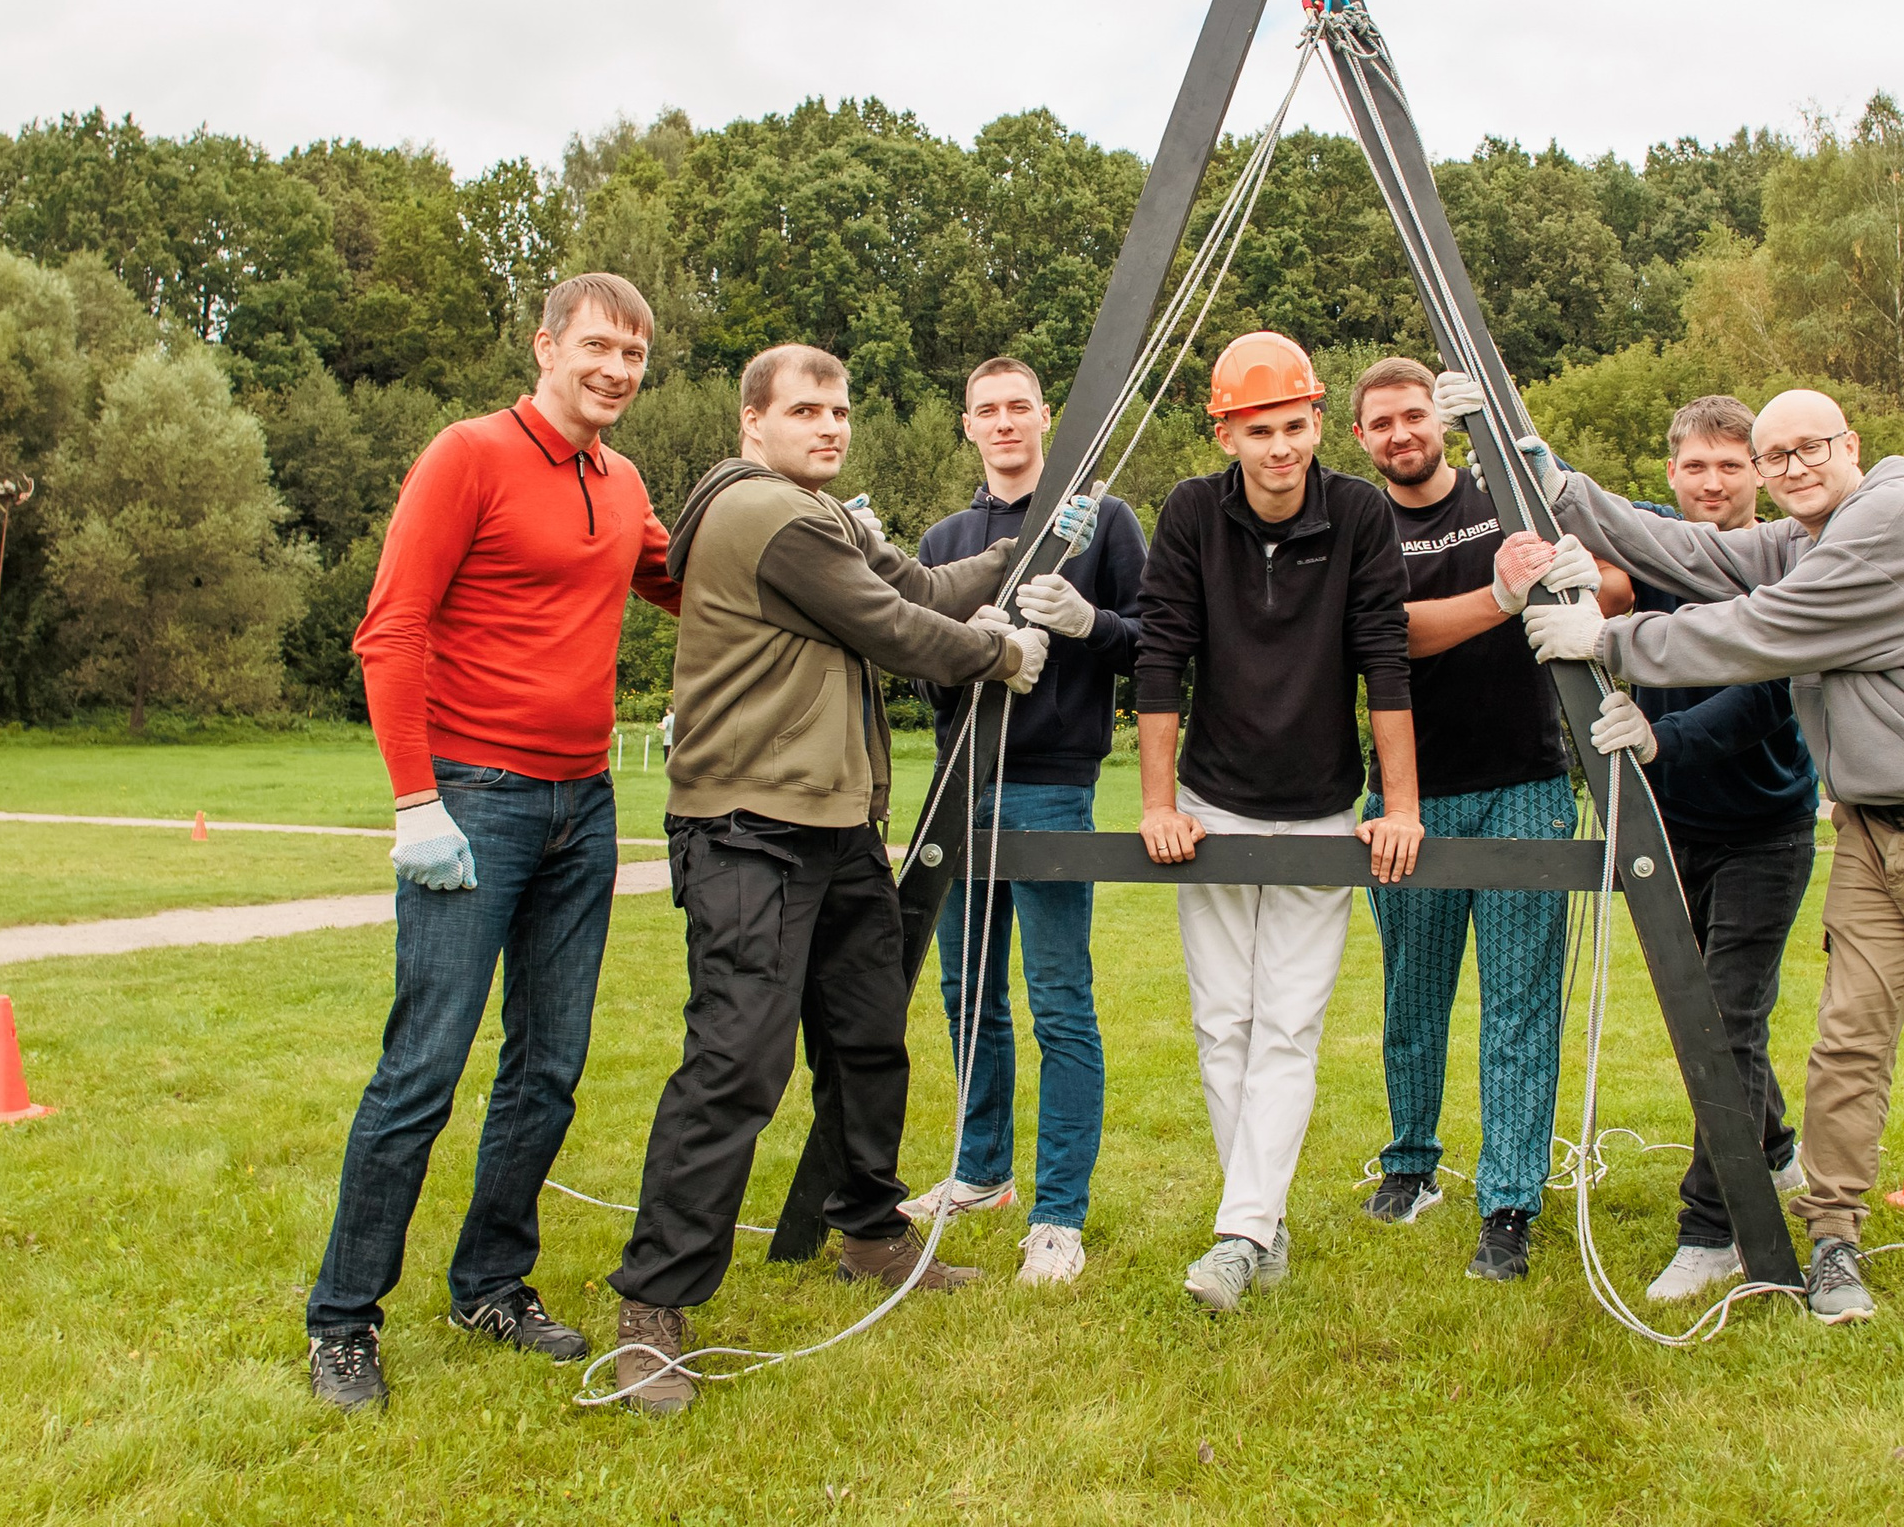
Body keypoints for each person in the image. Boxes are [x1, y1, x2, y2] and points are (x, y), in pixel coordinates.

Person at [1456, 377, 1904, 1342]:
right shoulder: (1806, 535)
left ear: (1850, 443)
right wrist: (1542, 468)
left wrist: (1607, 637)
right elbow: (1687, 548)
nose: (1792, 468)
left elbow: (1760, 630)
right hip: (1873, 829)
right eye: (1775, 457)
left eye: (1808, 448)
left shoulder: (1892, 524)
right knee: (1847, 1045)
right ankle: (1834, 1244)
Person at [600, 343, 1091, 1416]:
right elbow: (902, 629)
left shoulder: (818, 516)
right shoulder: (761, 514)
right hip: (746, 831)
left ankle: (866, 1232)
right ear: (752, 426)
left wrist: (1026, 541)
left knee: (869, 1038)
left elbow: (918, 582)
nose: (830, 426)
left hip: (832, 827)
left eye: (841, 410)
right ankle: (651, 1309)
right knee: (735, 1062)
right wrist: (1000, 654)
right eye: (806, 410)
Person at [308, 273, 683, 1411]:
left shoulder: (623, 484)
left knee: (550, 1070)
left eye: (635, 355)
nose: (616, 370)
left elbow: (693, 579)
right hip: (475, 796)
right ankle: (342, 1321)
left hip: (584, 806)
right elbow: (392, 629)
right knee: (423, 1067)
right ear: (546, 346)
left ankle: (490, 1283)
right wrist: (415, 801)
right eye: (599, 347)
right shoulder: (466, 454)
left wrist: (816, 531)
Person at [1135, 330, 1422, 1314]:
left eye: (1295, 425)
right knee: (1223, 1024)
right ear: (1225, 433)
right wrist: (1157, 804)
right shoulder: (1187, 513)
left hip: (1318, 809)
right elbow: (1160, 658)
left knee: (1288, 1026)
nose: (1280, 447)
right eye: (1258, 430)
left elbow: (1384, 660)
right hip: (1212, 806)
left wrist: (1403, 806)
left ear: (1316, 423)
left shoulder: (1357, 516)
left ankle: (1239, 1231)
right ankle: (1256, 1221)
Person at [904, 356, 1145, 1287]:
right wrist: (976, 650)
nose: (1004, 423)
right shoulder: (947, 536)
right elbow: (917, 661)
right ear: (968, 425)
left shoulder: (1100, 520)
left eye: (1019, 407)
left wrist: (1088, 623)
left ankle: (1059, 1216)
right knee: (966, 993)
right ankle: (980, 1172)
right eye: (986, 410)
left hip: (1051, 782)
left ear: (1047, 417)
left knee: (1059, 1000)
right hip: (959, 781)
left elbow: (1158, 638)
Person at [1582, 395, 1821, 1304]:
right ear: (1671, 471)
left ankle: (1714, 1227)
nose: (1713, 483)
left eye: (1731, 466)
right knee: (1707, 1016)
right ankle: (1774, 1150)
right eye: (1696, 467)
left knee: (1722, 1020)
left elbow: (1766, 693)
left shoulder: (1784, 562)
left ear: (1758, 473)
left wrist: (1658, 741)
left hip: (1765, 827)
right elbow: (1570, 494)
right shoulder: (1653, 547)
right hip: (1669, 830)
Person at [1345, 357, 1577, 1283]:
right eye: (1382, 424)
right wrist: (1499, 599)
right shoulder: (1359, 530)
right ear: (1359, 439)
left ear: (1437, 420)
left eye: (1414, 416)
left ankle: (1510, 1202)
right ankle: (1409, 1165)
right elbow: (1384, 635)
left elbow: (1602, 572)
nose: (1402, 434)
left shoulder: (1502, 495)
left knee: (1519, 1000)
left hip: (1523, 780)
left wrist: (1560, 579)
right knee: (1413, 990)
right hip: (1407, 796)